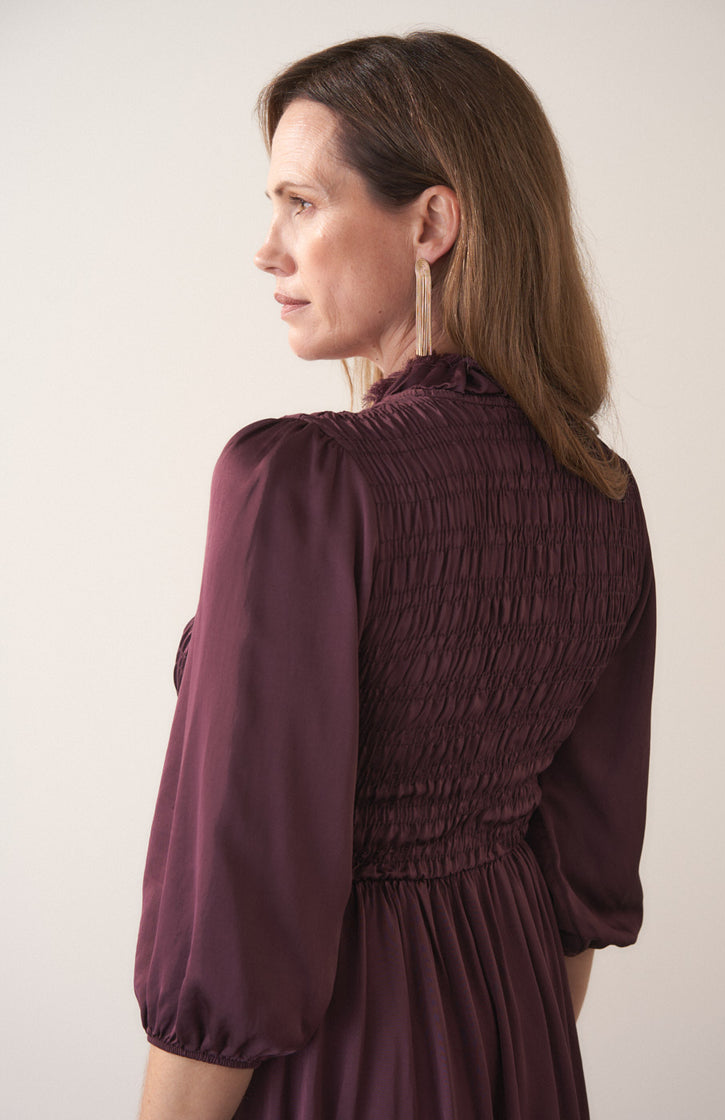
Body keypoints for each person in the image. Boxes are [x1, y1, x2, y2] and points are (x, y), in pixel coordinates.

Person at [134, 30, 656, 1120]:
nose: (267, 250)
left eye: (301, 204)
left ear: (429, 222)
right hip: (516, 1043)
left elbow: (242, 904)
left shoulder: (301, 482)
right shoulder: (599, 489)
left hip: (335, 1050)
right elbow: (581, 886)